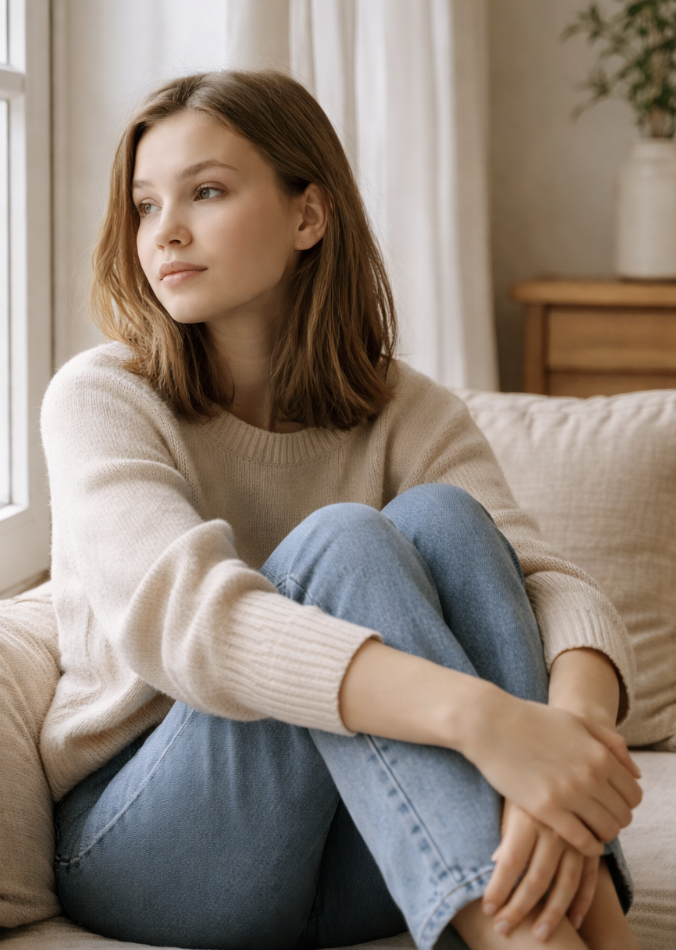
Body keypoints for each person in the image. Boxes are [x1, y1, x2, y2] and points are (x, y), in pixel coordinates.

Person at [40, 70, 642, 950]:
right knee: (344, 543)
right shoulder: (101, 396)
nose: (163, 230)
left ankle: (571, 902)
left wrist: (568, 735)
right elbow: (197, 623)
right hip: (158, 844)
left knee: (444, 520)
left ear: (308, 216)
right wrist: (491, 722)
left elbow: (543, 582)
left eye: (205, 191)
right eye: (143, 205)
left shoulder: (406, 407)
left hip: (365, 847)